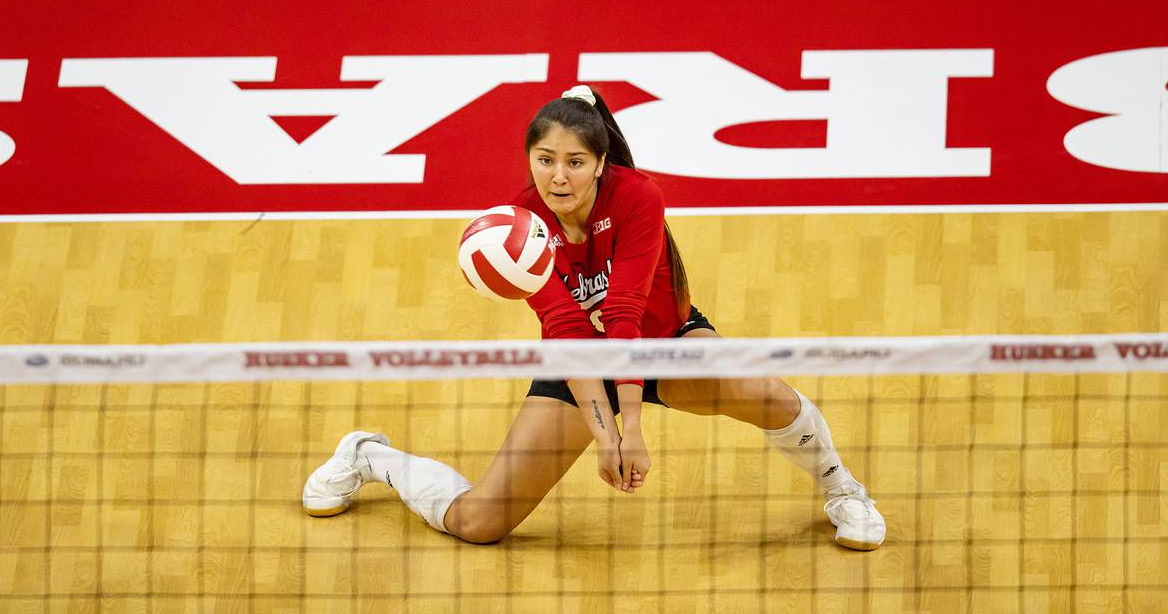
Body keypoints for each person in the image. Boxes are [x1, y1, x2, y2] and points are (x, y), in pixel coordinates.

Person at [304, 85, 886, 550]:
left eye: (576, 163)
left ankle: (845, 492)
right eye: (545, 160)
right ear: (529, 159)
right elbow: (568, 333)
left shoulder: (638, 198)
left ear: (601, 163)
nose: (559, 177)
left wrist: (630, 430)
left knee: (772, 397)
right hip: (579, 360)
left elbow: (627, 317)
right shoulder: (519, 231)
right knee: (479, 523)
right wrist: (607, 432)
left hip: (663, 343)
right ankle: (369, 456)